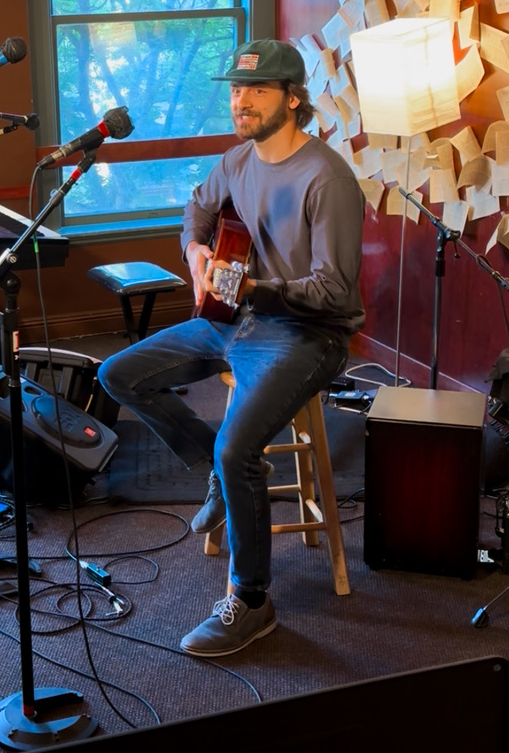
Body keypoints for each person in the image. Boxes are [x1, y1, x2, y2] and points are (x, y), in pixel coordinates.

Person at [98, 38, 365, 657]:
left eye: (257, 90)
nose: (240, 101)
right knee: (117, 375)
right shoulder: (238, 159)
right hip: (231, 319)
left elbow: (333, 290)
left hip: (307, 333)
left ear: (292, 99)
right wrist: (196, 253)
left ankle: (252, 601)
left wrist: (255, 290)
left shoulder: (327, 179)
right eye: (236, 89)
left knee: (237, 445)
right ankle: (221, 474)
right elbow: (196, 208)